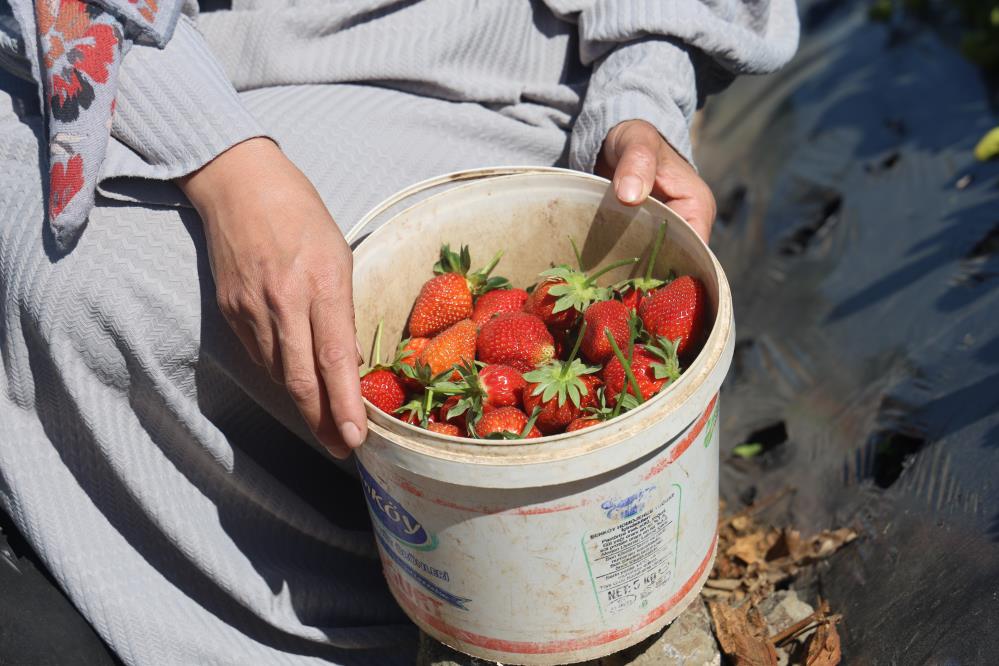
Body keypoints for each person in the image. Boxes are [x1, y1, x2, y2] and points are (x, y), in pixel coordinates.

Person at [0, 1, 798, 663]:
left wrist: (639, 96)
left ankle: (479, 593)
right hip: (137, 64)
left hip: (465, 66)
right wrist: (223, 163)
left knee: (337, 287)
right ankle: (332, 630)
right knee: (75, 282)